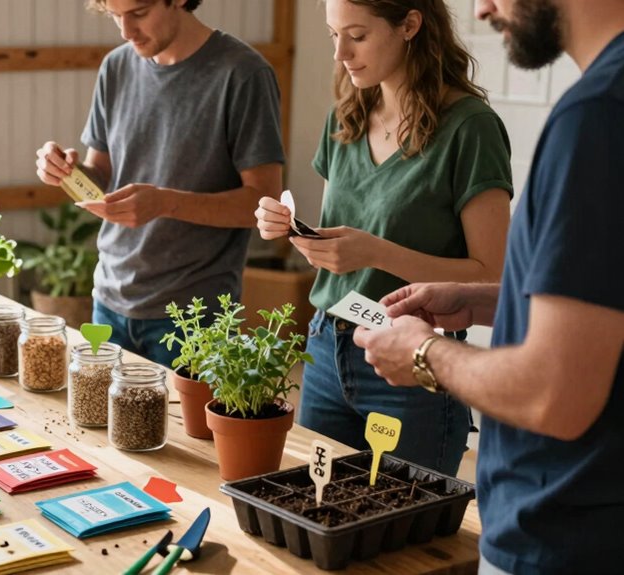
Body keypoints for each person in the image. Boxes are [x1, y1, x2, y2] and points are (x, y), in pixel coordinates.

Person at [354, 0, 624, 572]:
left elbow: (554, 394)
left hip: (563, 536)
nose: (482, 8)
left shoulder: (597, 115)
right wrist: (483, 299)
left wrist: (422, 353)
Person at [254, 0, 513, 476]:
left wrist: (374, 251)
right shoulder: (345, 117)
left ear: (410, 25)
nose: (340, 54)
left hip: (412, 365)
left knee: (402, 528)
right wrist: (292, 228)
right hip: (326, 348)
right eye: (334, 36)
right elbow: (337, 245)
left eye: (357, 36)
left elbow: (493, 274)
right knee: (318, 506)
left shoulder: (471, 128)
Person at [34, 0, 285, 367]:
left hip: (195, 316)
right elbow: (99, 176)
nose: (125, 31)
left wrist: (165, 202)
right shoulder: (116, 66)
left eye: (138, 13)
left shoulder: (243, 73)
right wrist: (64, 172)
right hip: (109, 301)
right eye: (115, 16)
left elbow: (263, 203)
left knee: (187, 428)